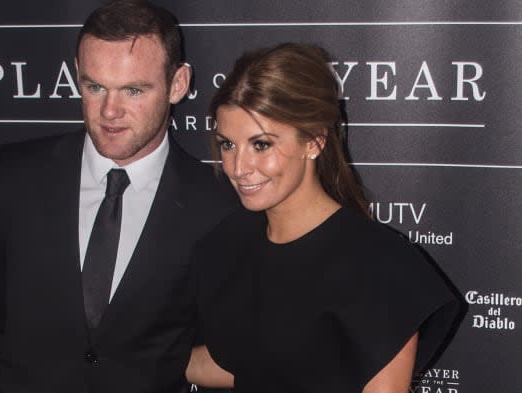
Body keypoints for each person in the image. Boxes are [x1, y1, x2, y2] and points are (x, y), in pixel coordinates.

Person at [0, 1, 237, 392]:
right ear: (77, 74)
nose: (110, 111)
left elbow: (225, 352)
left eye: (134, 90)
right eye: (94, 87)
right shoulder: (15, 175)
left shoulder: (215, 207)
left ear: (178, 84)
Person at [186, 43, 463, 392]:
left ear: (315, 141)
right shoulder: (227, 245)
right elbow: (240, 366)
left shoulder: (380, 264)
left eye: (261, 145)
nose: (238, 168)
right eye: (227, 144)